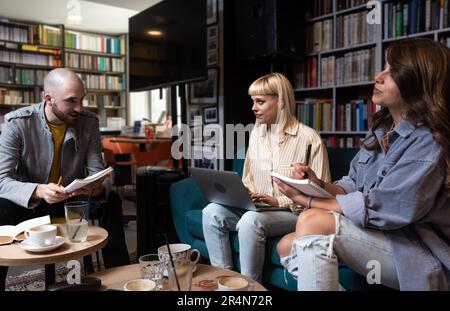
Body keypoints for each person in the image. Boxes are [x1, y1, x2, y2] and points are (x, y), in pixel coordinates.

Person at [274, 38, 450, 291]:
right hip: (384, 236)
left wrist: (308, 201)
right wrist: (317, 184)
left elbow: (384, 209)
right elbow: (353, 184)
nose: (378, 76)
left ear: (419, 81)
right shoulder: (380, 131)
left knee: (313, 221)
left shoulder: (429, 142)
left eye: (391, 71)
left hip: (420, 252)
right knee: (286, 245)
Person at [0, 68, 129, 290]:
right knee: (1, 206)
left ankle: (120, 277)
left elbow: (96, 170)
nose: (79, 108)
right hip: (31, 204)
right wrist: (39, 190)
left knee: (111, 201)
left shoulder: (88, 122)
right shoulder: (18, 123)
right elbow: (2, 180)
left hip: (72, 201)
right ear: (48, 98)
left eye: (82, 100)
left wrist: (95, 187)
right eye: (71, 101)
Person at [202, 73, 331, 282]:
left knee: (250, 221)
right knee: (211, 212)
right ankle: (224, 281)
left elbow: (322, 196)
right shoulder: (256, 134)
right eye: (252, 101)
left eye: (260, 101)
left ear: (281, 101)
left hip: (293, 212)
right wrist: (246, 193)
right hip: (258, 207)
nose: (253, 107)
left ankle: (249, 288)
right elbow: (248, 177)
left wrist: (277, 200)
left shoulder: (309, 139)